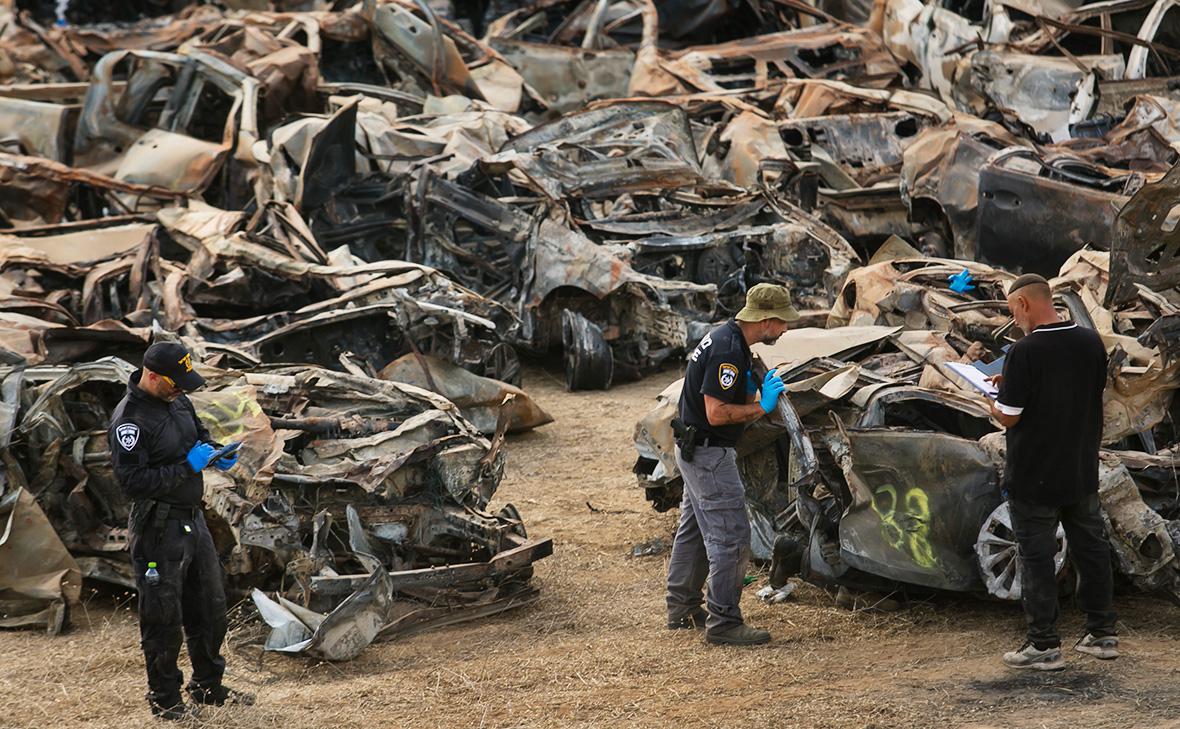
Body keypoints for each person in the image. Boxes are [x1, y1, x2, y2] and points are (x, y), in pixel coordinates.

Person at [108, 341, 254, 719]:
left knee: (210, 607)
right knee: (163, 617)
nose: (181, 390)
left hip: (193, 519)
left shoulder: (178, 400)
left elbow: (198, 436)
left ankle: (208, 686)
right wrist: (188, 467)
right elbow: (133, 483)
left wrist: (216, 451)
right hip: (157, 527)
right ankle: (165, 700)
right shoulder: (130, 420)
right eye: (175, 383)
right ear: (152, 376)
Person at [988, 274, 1118, 671]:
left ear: (1025, 304)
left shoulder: (1026, 351)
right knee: (1091, 549)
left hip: (1035, 476)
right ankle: (1102, 634)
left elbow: (1010, 417)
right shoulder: (1089, 341)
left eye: (1013, 311)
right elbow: (1076, 391)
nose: (1014, 320)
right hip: (1080, 469)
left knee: (1038, 557)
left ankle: (1043, 644)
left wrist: (991, 402)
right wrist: (1009, 384)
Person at [665, 283, 799, 645]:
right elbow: (717, 411)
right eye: (783, 322)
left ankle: (682, 608)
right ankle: (724, 623)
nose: (785, 329)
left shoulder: (728, 339)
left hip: (694, 449)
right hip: (709, 454)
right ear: (766, 321)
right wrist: (762, 406)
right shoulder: (728, 350)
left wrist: (756, 389)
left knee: (693, 531)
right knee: (731, 537)